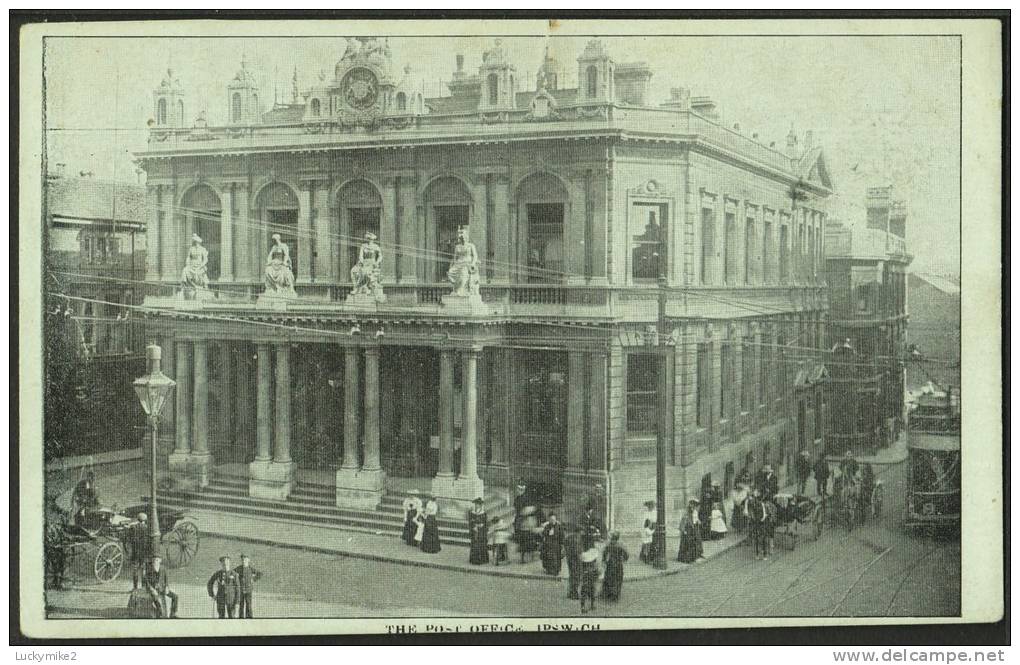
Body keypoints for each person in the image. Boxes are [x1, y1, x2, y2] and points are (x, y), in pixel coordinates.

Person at [447, 226, 480, 296]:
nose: (463, 239)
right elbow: (454, 257)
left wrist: (473, 264)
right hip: (458, 263)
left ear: (467, 237)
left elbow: (475, 256)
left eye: (464, 237)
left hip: (467, 264)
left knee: (463, 272)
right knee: (450, 273)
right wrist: (451, 266)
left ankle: (461, 290)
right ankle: (456, 289)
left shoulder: (471, 245)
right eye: (462, 238)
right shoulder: (457, 246)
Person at [350, 231, 383, 297]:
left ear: (373, 239)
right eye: (368, 239)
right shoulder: (363, 246)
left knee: (365, 272)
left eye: (370, 239)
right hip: (364, 262)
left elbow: (380, 256)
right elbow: (361, 255)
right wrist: (362, 261)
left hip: (372, 263)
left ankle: (364, 287)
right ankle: (356, 287)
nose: (369, 240)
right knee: (353, 270)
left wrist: (377, 262)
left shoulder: (376, 247)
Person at [600, 532, 629, 602]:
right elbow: (626, 555)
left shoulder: (609, 545)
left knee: (609, 578)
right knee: (618, 579)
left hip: (610, 564)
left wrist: (604, 561)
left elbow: (604, 554)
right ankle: (616, 595)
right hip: (618, 564)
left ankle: (607, 594)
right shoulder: (620, 545)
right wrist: (623, 559)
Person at [233, 554, 262, 619]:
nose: (244, 561)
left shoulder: (251, 569)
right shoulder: (238, 568)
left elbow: (260, 574)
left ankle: (249, 618)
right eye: (242, 560)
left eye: (245, 560)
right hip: (240, 590)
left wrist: (253, 579)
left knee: (248, 605)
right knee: (241, 606)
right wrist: (234, 579)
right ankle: (241, 618)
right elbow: (232, 573)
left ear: (248, 560)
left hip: (248, 590)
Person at [129, 513, 151, 588]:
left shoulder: (134, 527)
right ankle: (143, 587)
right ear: (145, 520)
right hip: (144, 552)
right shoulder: (147, 528)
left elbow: (130, 538)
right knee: (143, 570)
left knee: (135, 570)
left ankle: (135, 587)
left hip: (135, 552)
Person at [746, 489, 769, 561]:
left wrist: (762, 519)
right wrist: (752, 518)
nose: (754, 500)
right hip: (755, 522)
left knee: (763, 537)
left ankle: (765, 554)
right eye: (754, 498)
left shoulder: (762, 504)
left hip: (762, 522)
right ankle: (757, 554)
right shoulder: (751, 504)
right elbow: (749, 512)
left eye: (755, 499)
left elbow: (765, 513)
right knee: (756, 538)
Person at [44, 521, 66, 590]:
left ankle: (60, 582)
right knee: (55, 564)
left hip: (58, 547)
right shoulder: (50, 528)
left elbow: (62, 537)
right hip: (53, 547)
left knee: (60, 564)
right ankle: (56, 581)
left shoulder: (57, 528)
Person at [467, 498, 489, 565]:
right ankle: (474, 559)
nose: (477, 505)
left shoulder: (483, 513)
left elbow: (485, 522)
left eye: (478, 504)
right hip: (474, 530)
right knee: (474, 543)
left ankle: (482, 559)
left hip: (481, 531)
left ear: (480, 505)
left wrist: (481, 525)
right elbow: (470, 521)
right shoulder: (472, 512)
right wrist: (473, 527)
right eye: (476, 504)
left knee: (481, 543)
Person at [579, 546, 600, 614]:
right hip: (591, 582)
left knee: (584, 594)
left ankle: (583, 606)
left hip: (585, 582)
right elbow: (597, 573)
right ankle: (591, 605)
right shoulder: (593, 567)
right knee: (592, 592)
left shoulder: (584, 566)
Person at [564, 525, 582, 599]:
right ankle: (574, 593)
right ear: (579, 532)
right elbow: (577, 551)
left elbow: (565, 544)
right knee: (576, 576)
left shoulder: (569, 537)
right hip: (576, 560)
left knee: (571, 576)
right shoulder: (577, 539)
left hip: (569, 559)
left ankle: (570, 592)